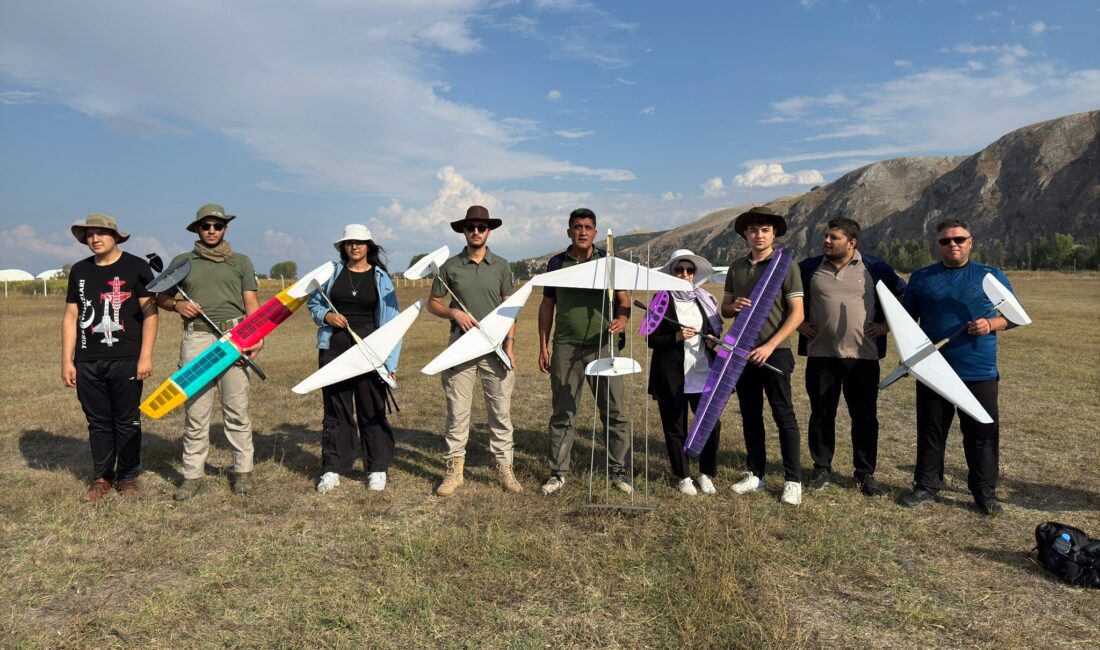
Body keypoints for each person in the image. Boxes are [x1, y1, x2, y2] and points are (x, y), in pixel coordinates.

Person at [899, 219, 1017, 515]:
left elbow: (1014, 316)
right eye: (945, 241)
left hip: (979, 371)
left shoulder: (991, 275)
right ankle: (926, 486)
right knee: (931, 431)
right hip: (933, 370)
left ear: (970, 241)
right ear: (937, 244)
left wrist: (990, 324)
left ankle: (984, 492)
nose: (953, 244)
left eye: (959, 239)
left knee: (982, 434)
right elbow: (905, 321)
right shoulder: (922, 277)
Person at [157, 203, 261, 500]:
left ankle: (242, 472)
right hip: (197, 341)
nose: (212, 230)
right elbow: (162, 298)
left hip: (234, 339)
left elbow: (251, 303)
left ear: (225, 228)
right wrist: (178, 305)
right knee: (196, 411)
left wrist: (257, 337)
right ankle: (192, 476)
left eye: (218, 225)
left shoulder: (240, 262)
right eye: (206, 226)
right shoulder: (182, 261)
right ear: (197, 229)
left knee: (236, 410)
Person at [797, 218, 906, 497]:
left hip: (863, 357)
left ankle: (865, 473)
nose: (827, 241)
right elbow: (787, 299)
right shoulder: (808, 267)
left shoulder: (875, 267)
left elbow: (906, 296)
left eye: (834, 237)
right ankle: (821, 468)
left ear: (851, 242)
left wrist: (886, 326)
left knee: (865, 416)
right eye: (825, 236)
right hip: (821, 355)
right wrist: (798, 323)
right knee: (821, 414)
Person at [62, 213, 158, 501]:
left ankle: (128, 477)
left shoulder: (136, 267)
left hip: (126, 357)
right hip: (88, 360)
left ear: (115, 236)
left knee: (127, 420)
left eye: (101, 233)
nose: (95, 239)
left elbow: (150, 313)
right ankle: (102, 477)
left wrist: (146, 356)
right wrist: (67, 360)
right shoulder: (79, 271)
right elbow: (71, 315)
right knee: (98, 421)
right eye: (89, 234)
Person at [427, 206, 522, 496]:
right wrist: (453, 313)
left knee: (501, 413)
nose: (476, 231)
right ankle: (455, 470)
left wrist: (509, 345)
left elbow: (511, 309)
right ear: (464, 231)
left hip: (495, 351)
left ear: (489, 230)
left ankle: (505, 467)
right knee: (457, 413)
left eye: (481, 227)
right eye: (471, 227)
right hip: (460, 351)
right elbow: (433, 303)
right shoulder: (450, 266)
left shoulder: (502, 266)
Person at [537, 208, 632, 496]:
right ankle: (558, 473)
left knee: (614, 410)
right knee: (563, 410)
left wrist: (623, 319)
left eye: (588, 227)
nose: (582, 231)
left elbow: (624, 300)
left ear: (595, 232)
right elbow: (547, 306)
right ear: (569, 231)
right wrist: (543, 345)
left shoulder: (607, 262)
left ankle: (619, 470)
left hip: (603, 345)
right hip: (565, 346)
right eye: (577, 226)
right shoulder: (557, 263)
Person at [307, 224, 402, 493]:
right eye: (349, 242)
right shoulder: (331, 274)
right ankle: (333, 468)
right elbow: (314, 304)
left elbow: (392, 322)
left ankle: (377, 468)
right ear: (343, 247)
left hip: (371, 348)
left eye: (360, 242)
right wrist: (327, 316)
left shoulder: (381, 277)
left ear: (368, 246)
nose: (355, 246)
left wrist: (390, 364)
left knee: (371, 407)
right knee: (336, 409)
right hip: (334, 346)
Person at [721, 206, 805, 505]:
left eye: (765, 230)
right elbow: (725, 309)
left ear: (774, 234)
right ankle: (755, 474)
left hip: (775, 352)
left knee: (784, 415)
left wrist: (770, 345)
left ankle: (793, 479)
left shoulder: (786, 265)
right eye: (754, 230)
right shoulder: (737, 267)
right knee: (751, 415)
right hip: (742, 353)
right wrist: (735, 308)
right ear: (745, 234)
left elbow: (797, 314)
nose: (759, 235)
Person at [645, 250, 723, 496]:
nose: (685, 274)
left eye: (689, 270)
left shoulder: (705, 299)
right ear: (671, 273)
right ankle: (683, 475)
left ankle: (706, 473)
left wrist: (713, 341)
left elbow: (715, 332)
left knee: (710, 424)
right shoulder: (661, 301)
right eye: (679, 270)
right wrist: (676, 336)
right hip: (672, 377)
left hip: (703, 373)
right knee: (675, 427)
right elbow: (651, 339)